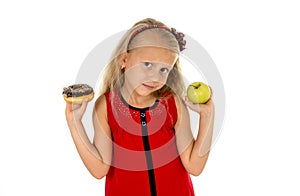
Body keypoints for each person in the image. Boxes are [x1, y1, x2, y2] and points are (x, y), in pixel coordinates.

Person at [65, 18, 215, 196]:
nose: (155, 77)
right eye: (147, 64)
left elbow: (194, 166)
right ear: (124, 59)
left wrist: (208, 116)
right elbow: (99, 169)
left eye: (164, 70)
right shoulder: (106, 106)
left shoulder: (171, 103)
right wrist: (74, 122)